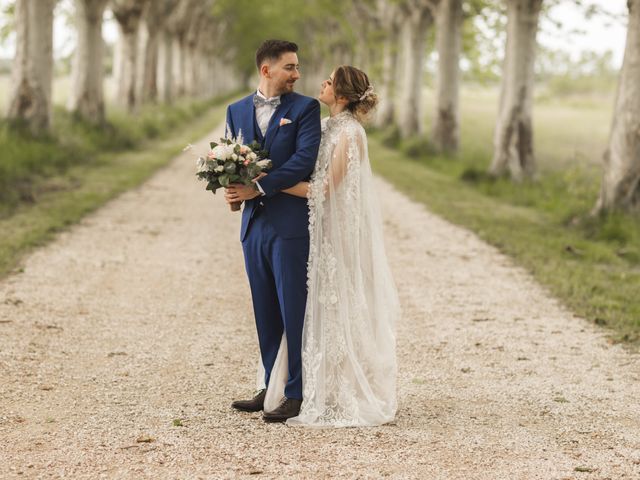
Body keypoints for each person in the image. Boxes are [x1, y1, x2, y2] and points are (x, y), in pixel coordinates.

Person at [258, 66, 399, 427]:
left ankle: (337, 387)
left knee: (333, 299)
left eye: (330, 80)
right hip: (314, 228)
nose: (321, 82)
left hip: (335, 230)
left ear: (343, 95)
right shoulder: (325, 127)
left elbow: (322, 190)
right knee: (308, 303)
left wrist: (263, 182)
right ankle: (300, 383)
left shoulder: (350, 135)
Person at [224, 40, 321, 423]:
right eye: (290, 67)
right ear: (267, 70)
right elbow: (231, 158)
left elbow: (303, 161)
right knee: (264, 309)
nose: (297, 74)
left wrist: (259, 187)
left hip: (289, 225)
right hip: (254, 226)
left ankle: (296, 392)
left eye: (297, 67)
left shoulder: (305, 109)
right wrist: (232, 192)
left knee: (293, 308)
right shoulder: (234, 110)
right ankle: (272, 386)